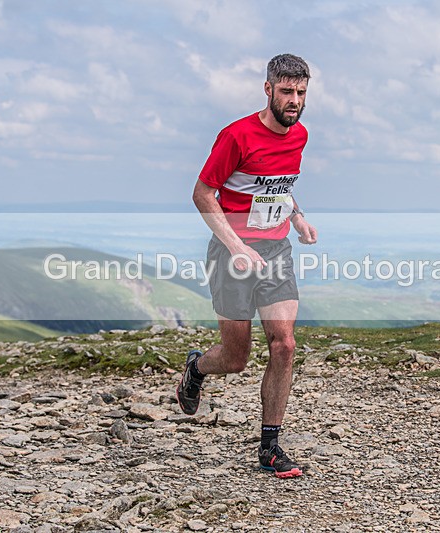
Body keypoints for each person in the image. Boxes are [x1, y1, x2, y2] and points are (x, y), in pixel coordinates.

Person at [177, 53, 318, 479]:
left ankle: (270, 447)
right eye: (287, 91)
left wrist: (297, 217)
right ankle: (197, 367)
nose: (294, 101)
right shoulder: (236, 135)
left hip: (275, 253)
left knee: (284, 344)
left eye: (301, 93)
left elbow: (278, 185)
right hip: (231, 254)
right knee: (235, 358)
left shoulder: (299, 135)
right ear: (268, 89)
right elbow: (203, 193)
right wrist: (236, 246)